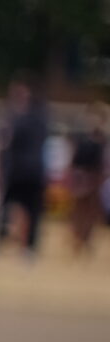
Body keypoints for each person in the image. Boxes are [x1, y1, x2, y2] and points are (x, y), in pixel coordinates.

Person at [0, 82, 50, 259]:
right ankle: (27, 246)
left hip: (18, 172)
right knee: (30, 210)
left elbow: (4, 147)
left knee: (9, 208)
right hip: (33, 171)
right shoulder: (41, 119)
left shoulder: (14, 120)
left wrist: (1, 171)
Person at [69, 103, 108, 257]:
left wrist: (98, 180)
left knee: (91, 211)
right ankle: (78, 236)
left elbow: (102, 163)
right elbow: (74, 160)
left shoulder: (102, 139)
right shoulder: (81, 137)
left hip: (95, 178)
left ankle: (86, 238)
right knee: (79, 210)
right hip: (81, 177)